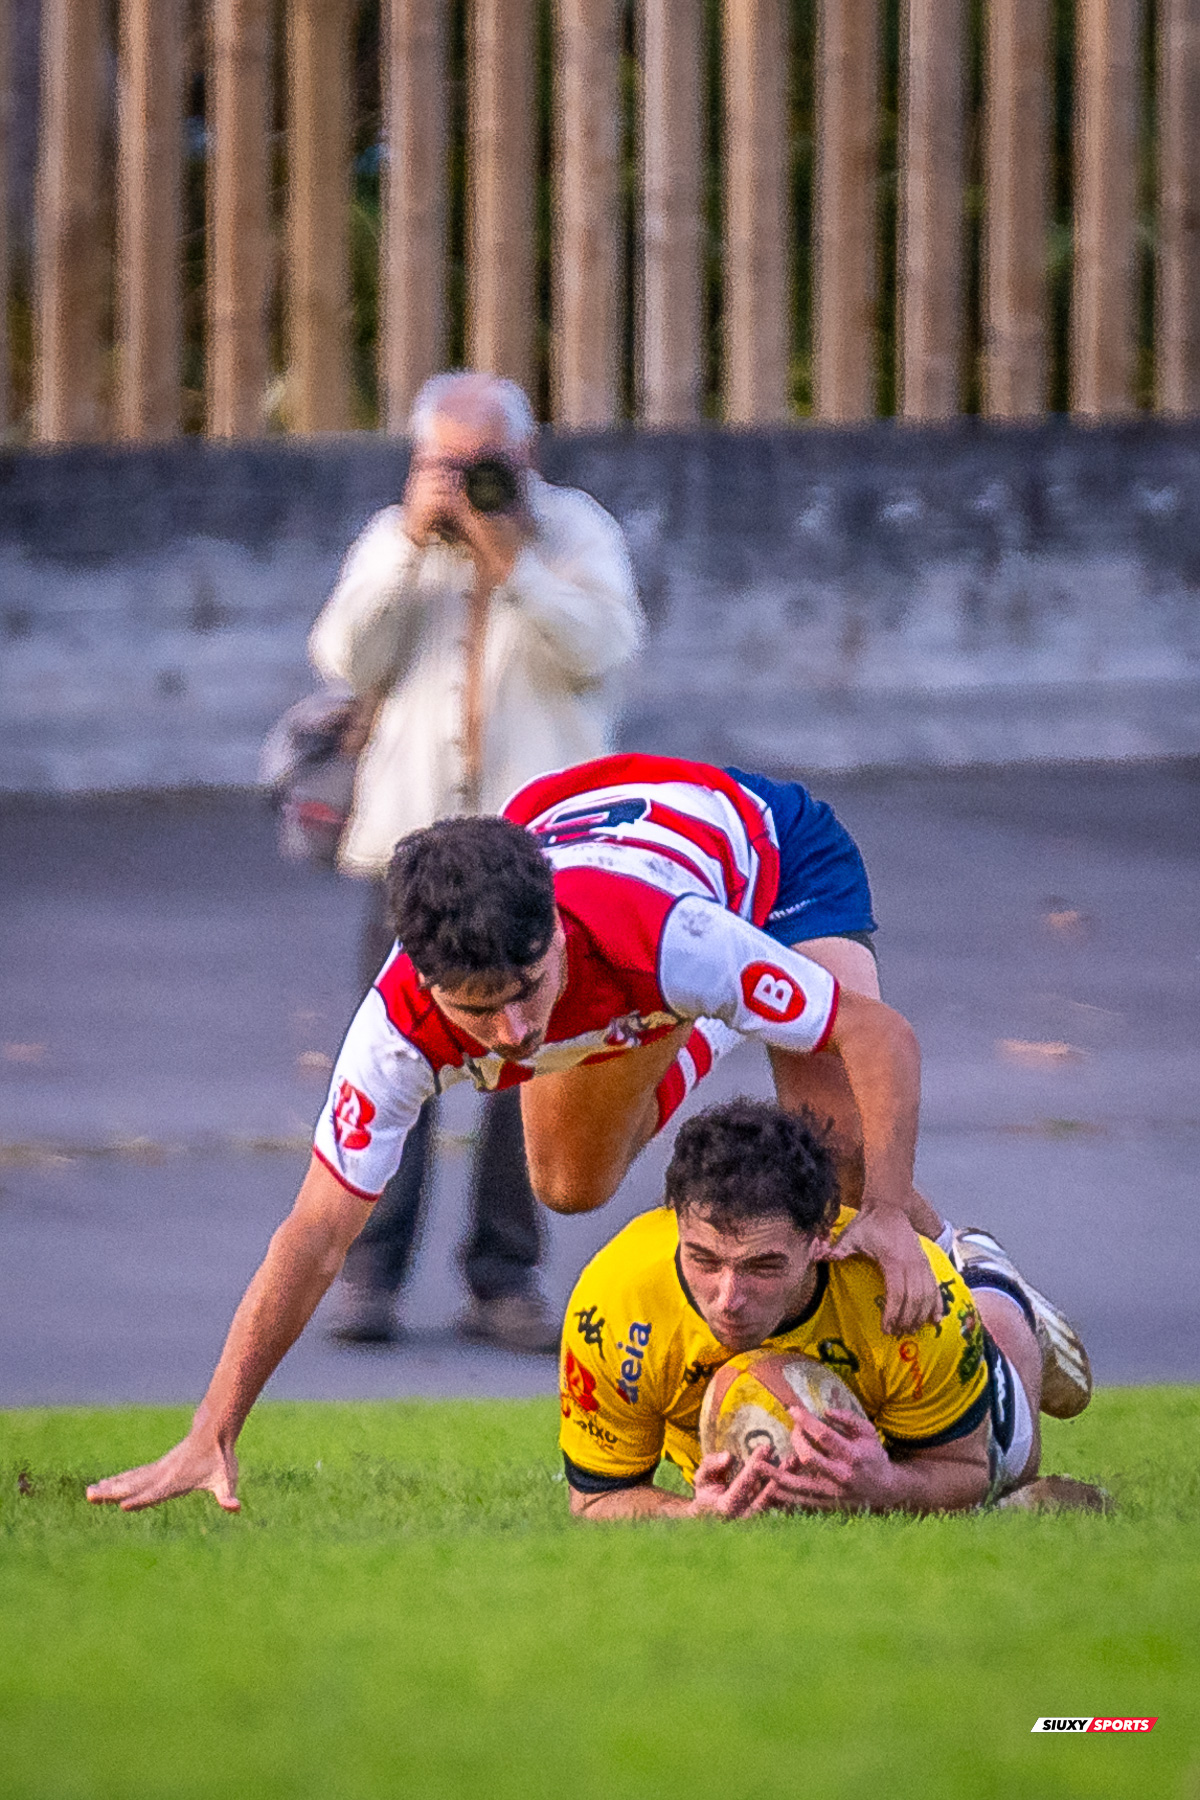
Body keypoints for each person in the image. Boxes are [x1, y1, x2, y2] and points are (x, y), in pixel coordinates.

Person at [87, 754, 1087, 1514]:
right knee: (567, 1181)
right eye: (480, 1014)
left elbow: (881, 1035)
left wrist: (879, 1212)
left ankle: (980, 1292)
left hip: (769, 857)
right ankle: (718, 1020)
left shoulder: (662, 935)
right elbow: (312, 1237)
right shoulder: (393, 1033)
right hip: (627, 900)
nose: (514, 1037)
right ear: (427, 979)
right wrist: (212, 1429)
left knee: (830, 1158)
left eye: (527, 993)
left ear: (555, 932)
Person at [308, 370, 644, 1351]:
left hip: (547, 855)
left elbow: (605, 649)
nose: (460, 483)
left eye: (479, 464)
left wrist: (514, 561)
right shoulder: (393, 542)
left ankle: (504, 1280)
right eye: (440, 463)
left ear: (524, 457)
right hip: (410, 853)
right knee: (394, 1053)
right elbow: (343, 657)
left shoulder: (576, 535)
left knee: (532, 1062)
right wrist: (415, 547)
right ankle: (369, 1276)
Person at [560, 1099, 1095, 1521]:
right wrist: (692, 1516)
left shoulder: (904, 1291)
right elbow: (596, 1500)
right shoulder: (616, 1303)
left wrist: (886, 1488)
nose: (728, 1298)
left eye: (763, 1267)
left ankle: (991, 1276)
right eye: (703, 1259)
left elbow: (962, 1470)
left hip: (912, 1405)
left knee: (1015, 1464)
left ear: (821, 1236)